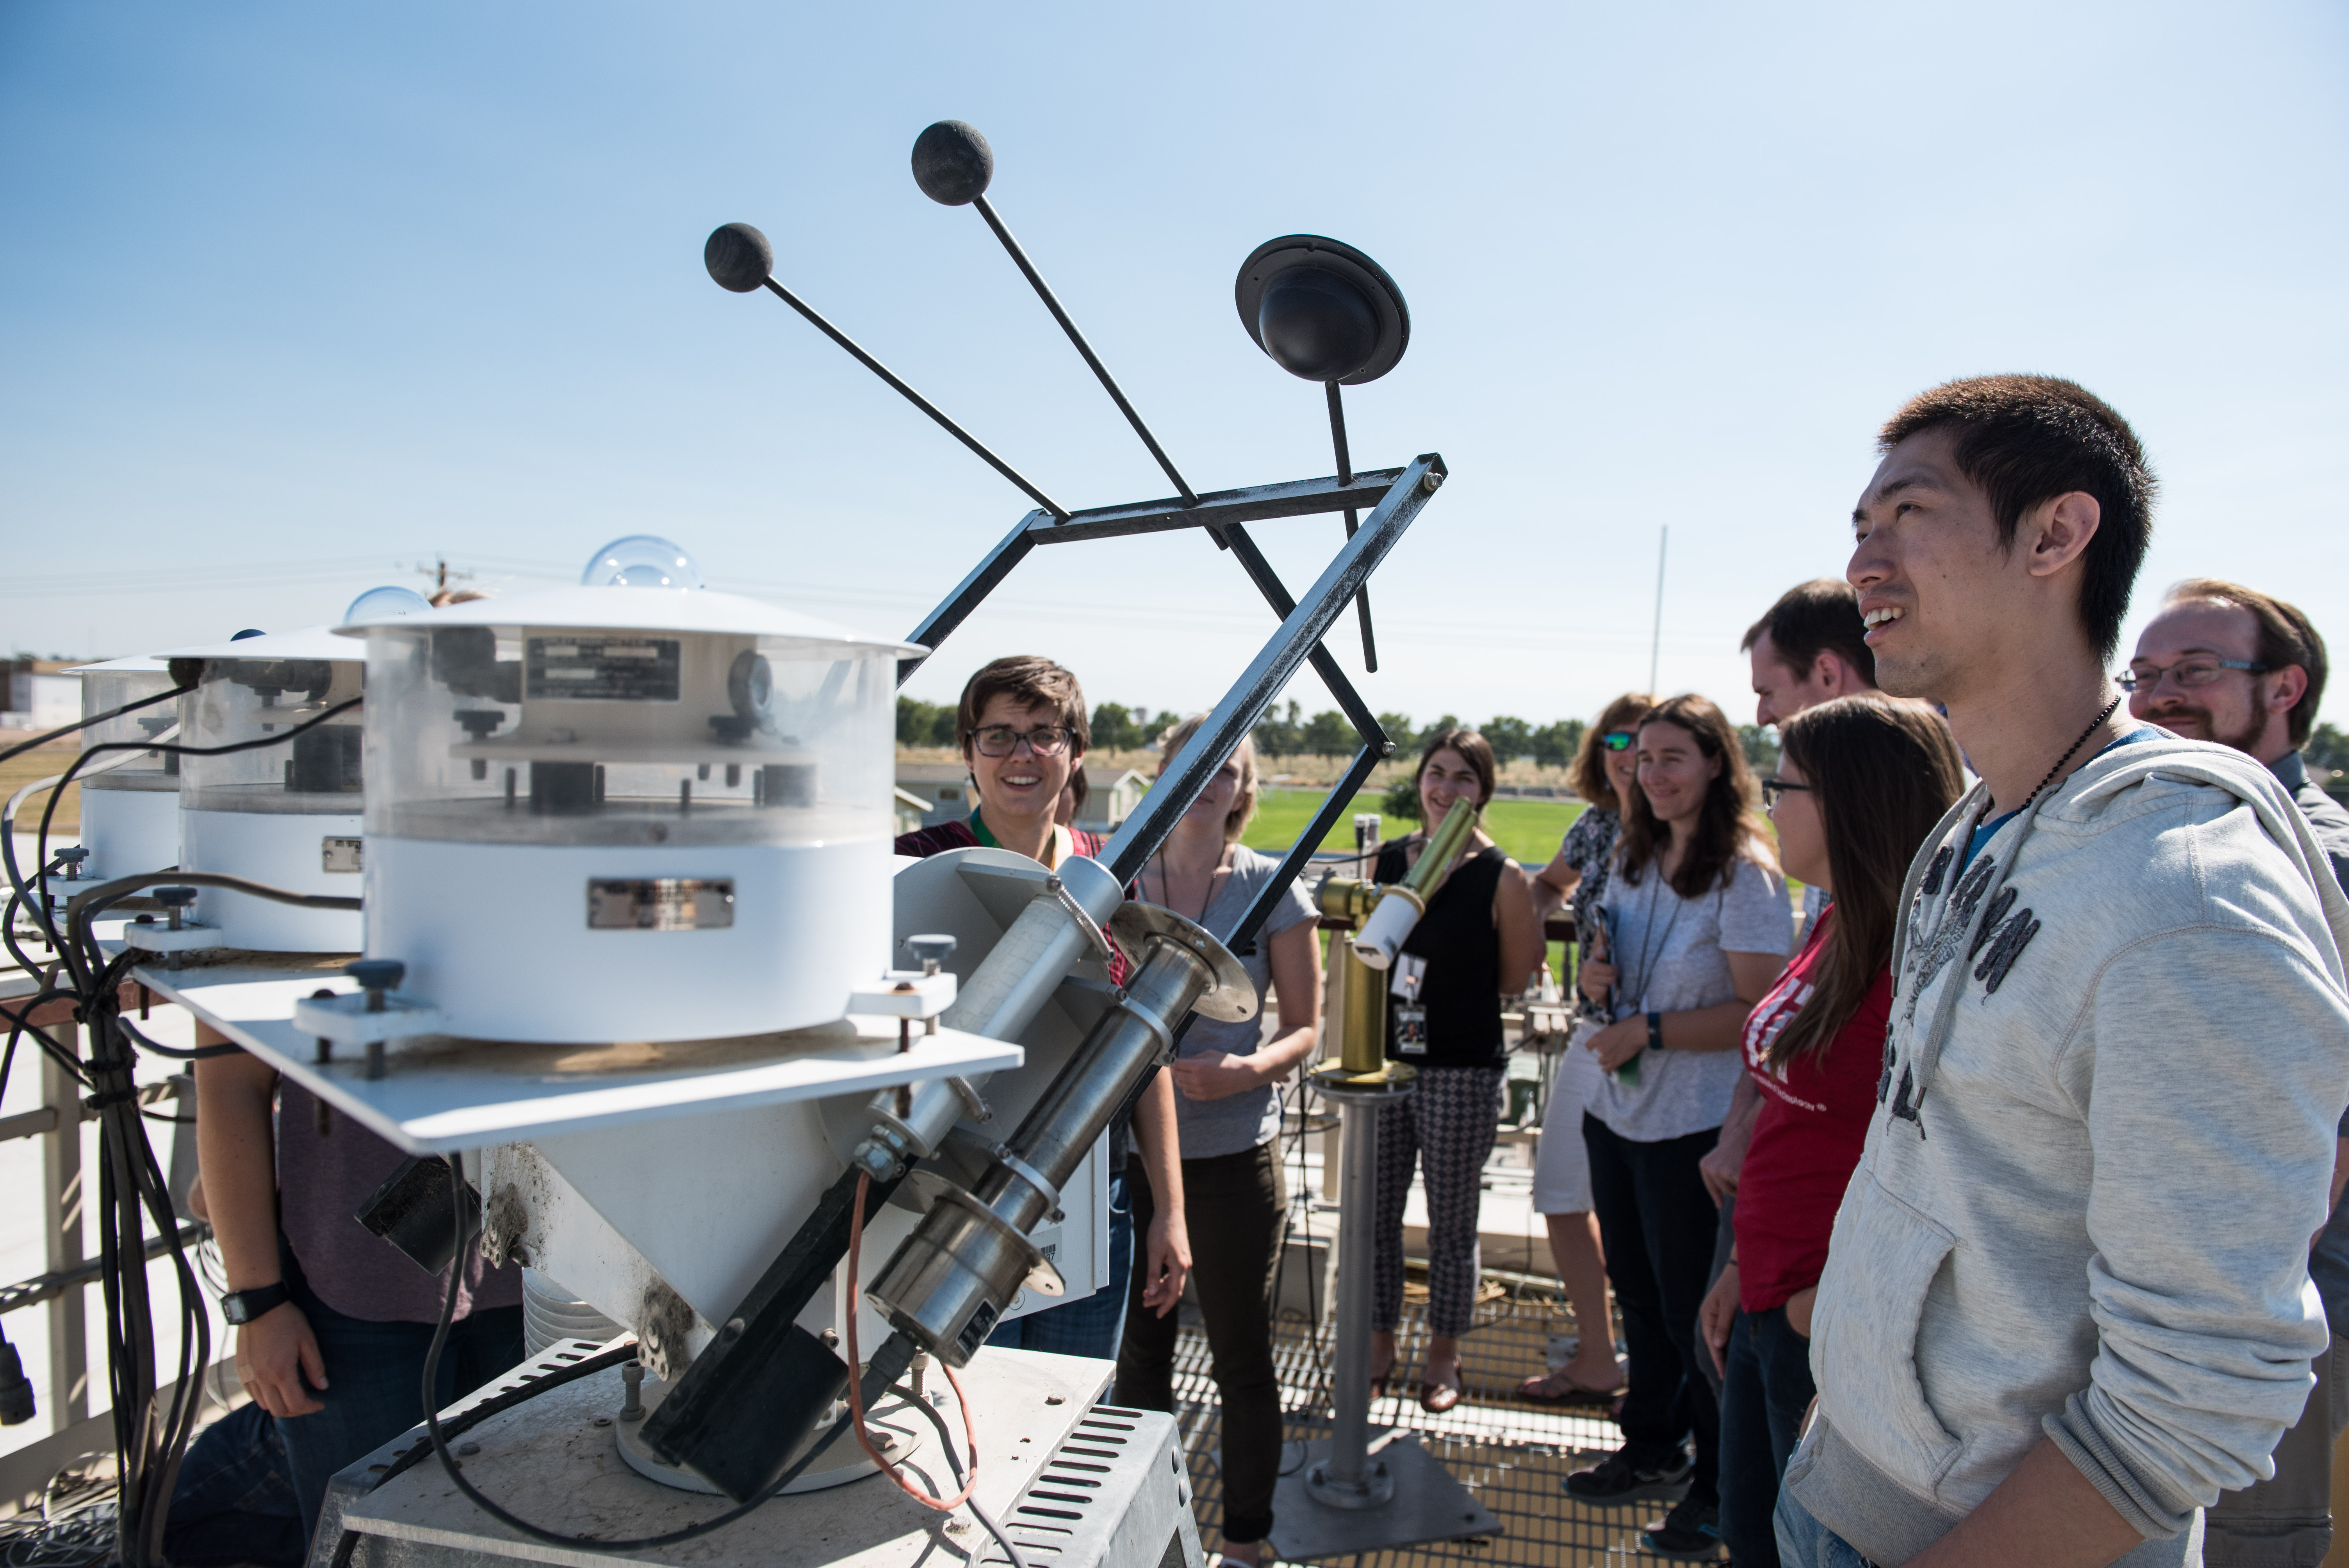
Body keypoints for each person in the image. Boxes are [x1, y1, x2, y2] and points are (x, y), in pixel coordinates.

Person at [1781, 376, 2349, 1568]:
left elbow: (2200, 1393)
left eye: (1908, 515)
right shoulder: (1981, 823)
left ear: (2056, 534)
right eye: (1858, 530)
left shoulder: (2188, 903)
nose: (1864, 566)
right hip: (1848, 1480)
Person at [1694, 695, 1965, 1567]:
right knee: (1749, 1534)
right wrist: (1741, 1266)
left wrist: (1825, 1306)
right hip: (1772, 1283)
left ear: (1851, 800)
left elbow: (1941, 1164)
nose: (1767, 804)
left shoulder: (1916, 965)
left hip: (1826, 1316)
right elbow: (1791, 1124)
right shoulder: (1834, 922)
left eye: (1783, 785)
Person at [2126, 578, 2349, 1567]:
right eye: (2141, 676)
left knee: (2247, 1546)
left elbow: (2327, 1126)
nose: (2157, 695)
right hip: (2149, 1293)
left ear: (2285, 687)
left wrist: (2240, 1306)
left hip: (2257, 1310)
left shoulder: (2316, 858)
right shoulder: (2164, 834)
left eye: (2193, 671)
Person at [892, 655, 1191, 1354]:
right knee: (958, 1410)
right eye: (997, 735)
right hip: (952, 1194)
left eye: (1043, 734)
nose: (1020, 755)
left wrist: (1169, 1211)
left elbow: (1144, 1051)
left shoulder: (1110, 877)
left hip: (1093, 1191)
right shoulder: (919, 864)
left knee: (1073, 1400)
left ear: (1076, 750)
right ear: (968, 753)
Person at [1561, 693, 1792, 1560]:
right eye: (1640, 757)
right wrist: (1598, 979)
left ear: (1713, 766)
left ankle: (1714, 1487)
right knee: (1640, 1294)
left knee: (1697, 1311)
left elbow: (1757, 1015)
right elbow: (1619, 959)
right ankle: (1649, 1443)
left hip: (1691, 1126)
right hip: (1617, 1108)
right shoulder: (1632, 854)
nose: (1650, 774)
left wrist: (1648, 1029)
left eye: (1671, 758)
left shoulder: (1745, 873)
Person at [1114, 716, 1321, 1568]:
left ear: (1245, 789)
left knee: (1239, 1357)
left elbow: (1306, 1029)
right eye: (1195, 763)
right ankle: (1138, 1528)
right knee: (1139, 1357)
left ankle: (1244, 1540)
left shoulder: (1272, 888)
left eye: (1228, 768)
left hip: (1236, 1162)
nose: (1211, 780)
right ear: (1162, 773)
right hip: (1128, 1160)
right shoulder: (1121, 883)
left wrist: (1246, 1073)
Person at [195, 1036, 525, 1541]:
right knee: (369, 1541)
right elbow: (230, 1083)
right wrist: (256, 1302)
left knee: (524, 1528)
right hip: (348, 1291)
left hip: (539, 1271)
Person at [1367, 728, 1543, 1412]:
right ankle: (1381, 1341)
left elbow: (1509, 981)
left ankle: (1445, 1353)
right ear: (1419, 782)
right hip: (1385, 1063)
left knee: (1452, 1221)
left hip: (1462, 1068)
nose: (1446, 789)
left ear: (1484, 791)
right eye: (1436, 773)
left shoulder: (1501, 875)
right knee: (1376, 1215)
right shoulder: (1387, 860)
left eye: (1464, 777)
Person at [1519, 692, 1652, 1404]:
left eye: (1651, 742)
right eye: (1617, 738)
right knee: (1562, 1192)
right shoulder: (1596, 829)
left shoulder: (1688, 833)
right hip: (1594, 1036)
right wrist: (1530, 936)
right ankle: (1602, 1357)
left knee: (1648, 1214)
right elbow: (1544, 886)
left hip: (1665, 1053)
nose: (1629, 754)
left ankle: (1659, 1364)